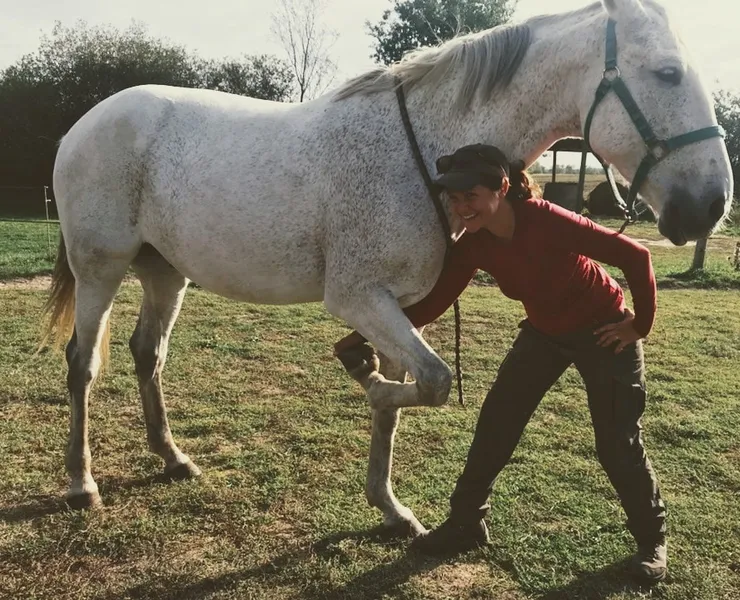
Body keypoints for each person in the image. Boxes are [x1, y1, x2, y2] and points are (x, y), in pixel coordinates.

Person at [334, 144, 667, 584]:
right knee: (497, 423)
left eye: (470, 195)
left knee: (617, 443)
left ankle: (652, 542)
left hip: (603, 334)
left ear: (502, 188)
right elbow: (434, 303)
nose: (461, 207)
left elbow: (635, 256)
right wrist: (366, 332)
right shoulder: (474, 245)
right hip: (544, 335)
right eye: (454, 199)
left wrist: (638, 326)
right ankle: (466, 523)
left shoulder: (545, 220)